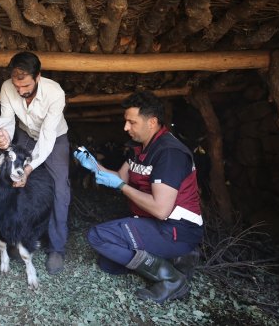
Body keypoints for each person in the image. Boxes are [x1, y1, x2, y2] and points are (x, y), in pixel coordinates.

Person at [75, 91, 203, 304]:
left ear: (152, 122)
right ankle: (173, 259)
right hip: (152, 223)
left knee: (97, 237)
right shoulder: (138, 148)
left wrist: (122, 187)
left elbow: (161, 209)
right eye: (126, 121)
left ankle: (172, 279)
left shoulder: (169, 153)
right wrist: (93, 165)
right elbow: (119, 177)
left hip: (176, 228)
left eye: (131, 122)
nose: (126, 128)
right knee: (108, 264)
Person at [0, 51, 71, 275]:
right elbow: (6, 118)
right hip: (25, 133)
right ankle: (16, 236)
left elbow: (46, 137)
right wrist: (2, 134)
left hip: (55, 138)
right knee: (12, 180)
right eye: (17, 87)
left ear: (38, 77)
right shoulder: (8, 87)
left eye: (25, 86)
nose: (21, 91)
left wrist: (28, 167)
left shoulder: (55, 93)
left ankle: (56, 248)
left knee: (61, 190)